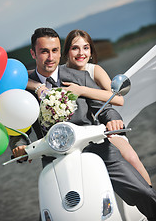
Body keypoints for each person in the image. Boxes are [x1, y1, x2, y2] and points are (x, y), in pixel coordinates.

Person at [10, 27, 156, 220]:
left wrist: (113, 120)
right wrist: (19, 146)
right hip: (54, 159)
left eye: (54, 50)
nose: (50, 57)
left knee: (144, 193)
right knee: (51, 214)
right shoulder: (23, 88)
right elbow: (18, 124)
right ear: (33, 53)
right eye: (44, 51)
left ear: (60, 51)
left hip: (98, 150)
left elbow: (103, 108)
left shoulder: (79, 77)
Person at [27, 29, 151, 186]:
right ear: (65, 52)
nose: (81, 53)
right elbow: (24, 76)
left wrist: (81, 90)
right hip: (74, 136)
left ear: (91, 51)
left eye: (86, 48)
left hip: (103, 126)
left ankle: (149, 193)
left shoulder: (93, 70)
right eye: (75, 48)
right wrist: (37, 86)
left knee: (130, 157)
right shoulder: (58, 72)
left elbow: (118, 100)